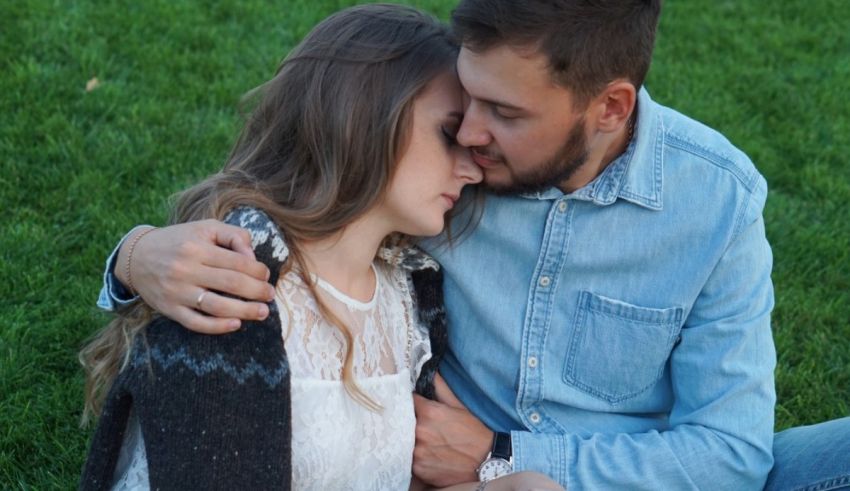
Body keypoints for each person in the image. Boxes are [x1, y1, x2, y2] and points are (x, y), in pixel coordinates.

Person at [97, 1, 850, 490]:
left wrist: (505, 453)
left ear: (609, 108)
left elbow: (731, 451)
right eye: (464, 107)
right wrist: (134, 255)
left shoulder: (716, 200)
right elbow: (317, 179)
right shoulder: (439, 195)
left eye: (503, 112)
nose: (475, 140)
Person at [80, 4, 564, 491]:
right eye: (447, 133)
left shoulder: (410, 289)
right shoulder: (241, 277)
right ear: (364, 114)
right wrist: (133, 256)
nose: (473, 169)